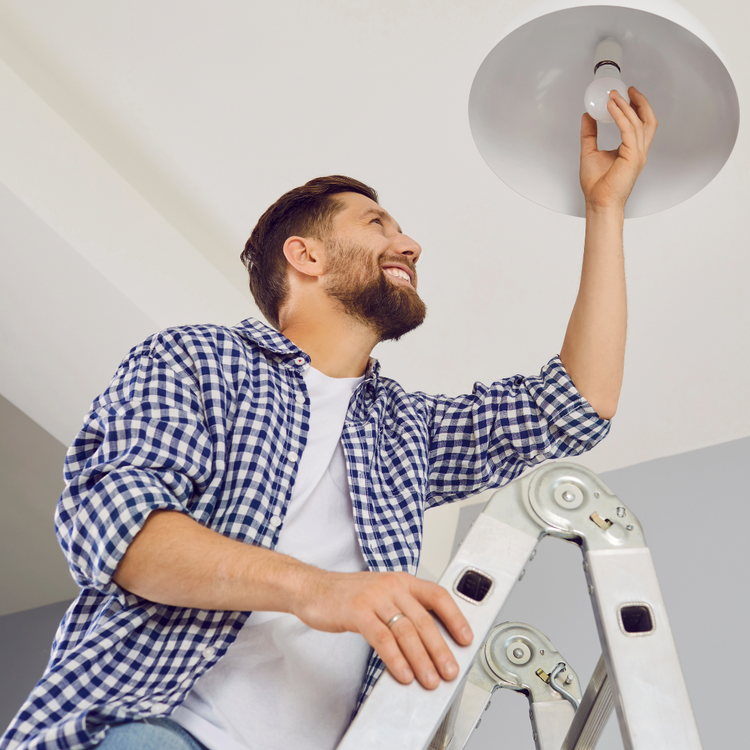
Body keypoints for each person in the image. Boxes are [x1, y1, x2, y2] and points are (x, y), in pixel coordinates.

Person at [1, 87, 657, 750]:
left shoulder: (406, 431)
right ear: (305, 256)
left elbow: (577, 404)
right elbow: (120, 534)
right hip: (151, 732)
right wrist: (318, 591)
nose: (411, 244)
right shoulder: (200, 359)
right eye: (377, 225)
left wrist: (605, 208)